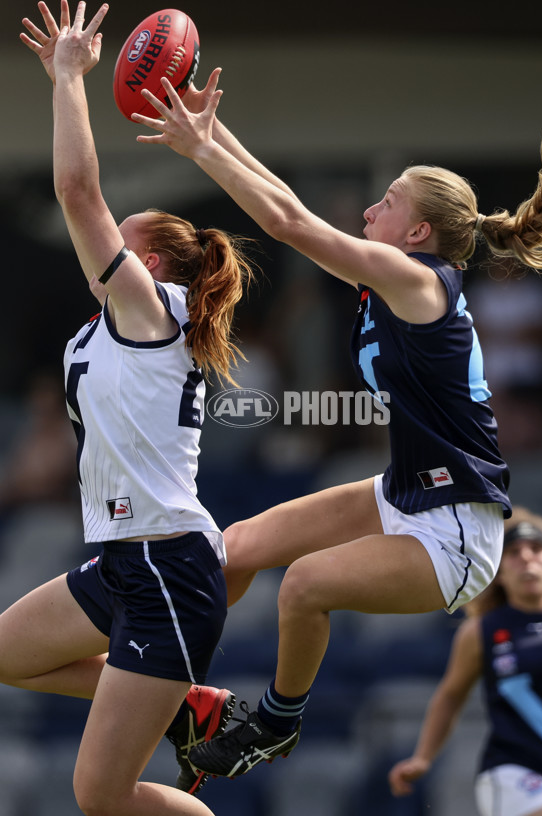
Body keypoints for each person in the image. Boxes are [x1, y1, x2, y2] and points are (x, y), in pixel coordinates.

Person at [132, 68, 542, 782]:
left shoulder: (418, 279)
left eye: (387, 201)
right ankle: (173, 690)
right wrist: (209, 131)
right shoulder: (389, 276)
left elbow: (286, 223)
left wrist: (199, 151)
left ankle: (275, 727)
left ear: (420, 231)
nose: (371, 210)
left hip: (456, 531)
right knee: (234, 548)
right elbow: (289, 207)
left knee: (305, 584)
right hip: (407, 490)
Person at [4, 2, 260, 812]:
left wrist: (69, 78)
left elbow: (77, 188)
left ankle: (175, 705)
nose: (102, 233)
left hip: (168, 568)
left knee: (100, 796)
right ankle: (185, 705)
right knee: (7, 654)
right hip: (125, 561)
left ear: (146, 261)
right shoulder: (114, 325)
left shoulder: (150, 308)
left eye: (121, 231)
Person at [388, 506, 542, 816]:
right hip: (512, 774)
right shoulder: (480, 631)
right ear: (499, 574)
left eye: (538, 549)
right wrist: (423, 757)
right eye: (514, 552)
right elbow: (450, 694)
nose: (527, 557)